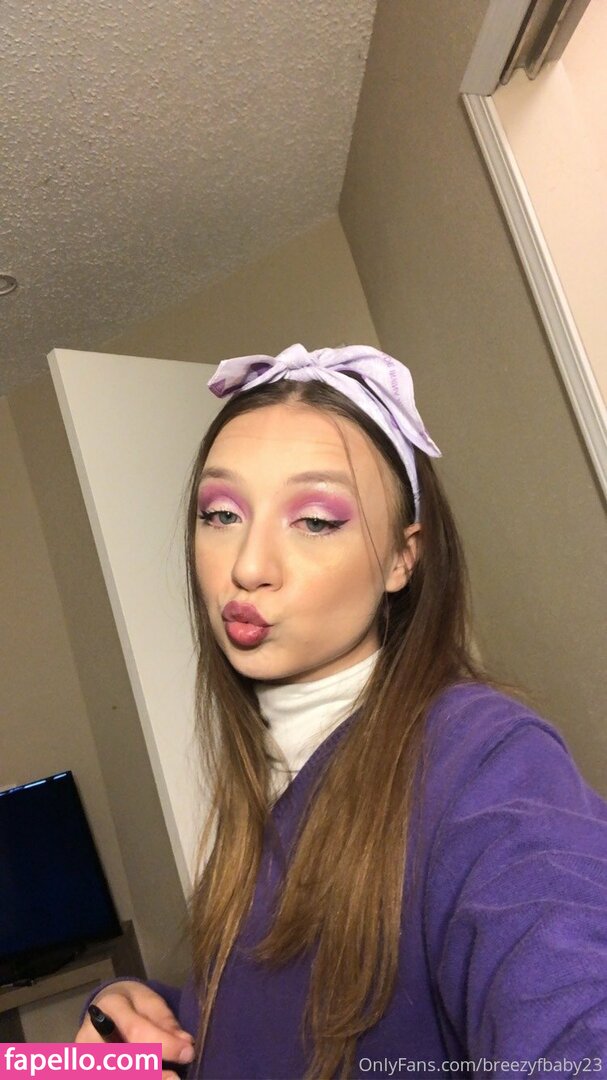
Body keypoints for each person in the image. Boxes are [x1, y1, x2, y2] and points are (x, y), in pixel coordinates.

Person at [75, 343, 607, 1080]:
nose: (248, 566)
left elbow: (568, 1004)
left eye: (316, 521)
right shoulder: (267, 783)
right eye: (221, 513)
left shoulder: (483, 757)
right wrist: (129, 1023)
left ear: (401, 558)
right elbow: (275, 1027)